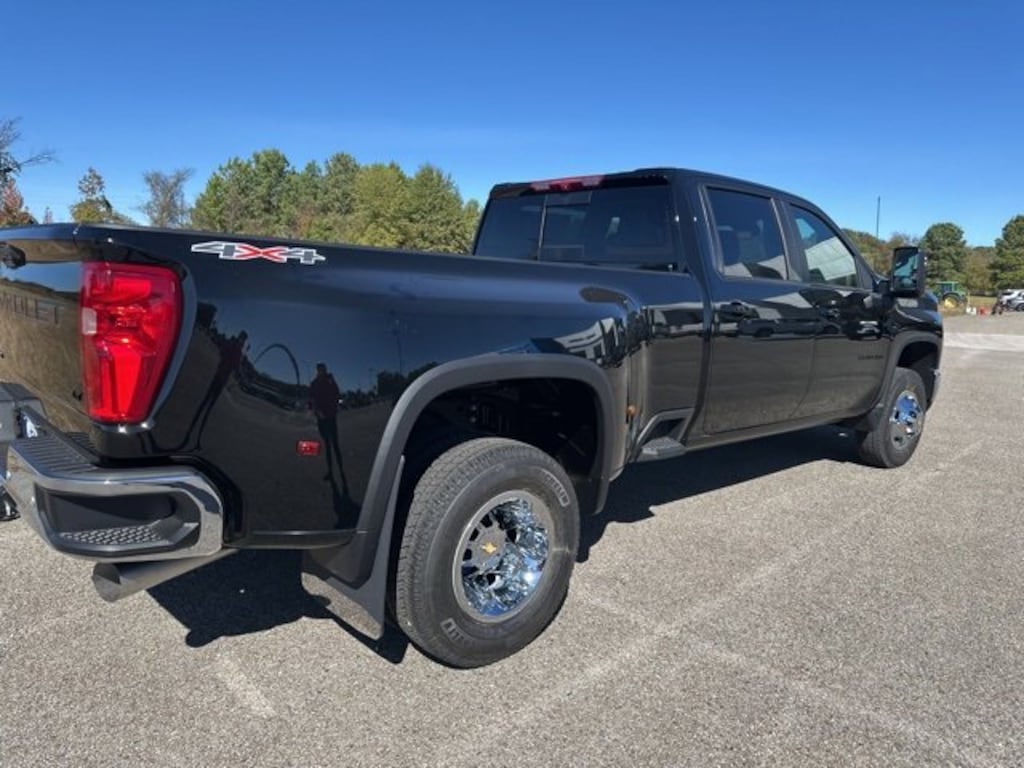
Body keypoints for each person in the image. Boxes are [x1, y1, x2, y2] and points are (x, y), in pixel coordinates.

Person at [309, 363, 344, 483]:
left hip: (331, 417)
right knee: (328, 445)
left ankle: (341, 470)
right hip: (321, 419)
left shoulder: (330, 381)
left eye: (323, 369)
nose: (321, 371)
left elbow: (338, 394)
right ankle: (330, 471)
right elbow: (312, 400)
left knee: (335, 445)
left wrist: (338, 406)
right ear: (317, 371)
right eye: (320, 370)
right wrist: (316, 412)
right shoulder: (314, 384)